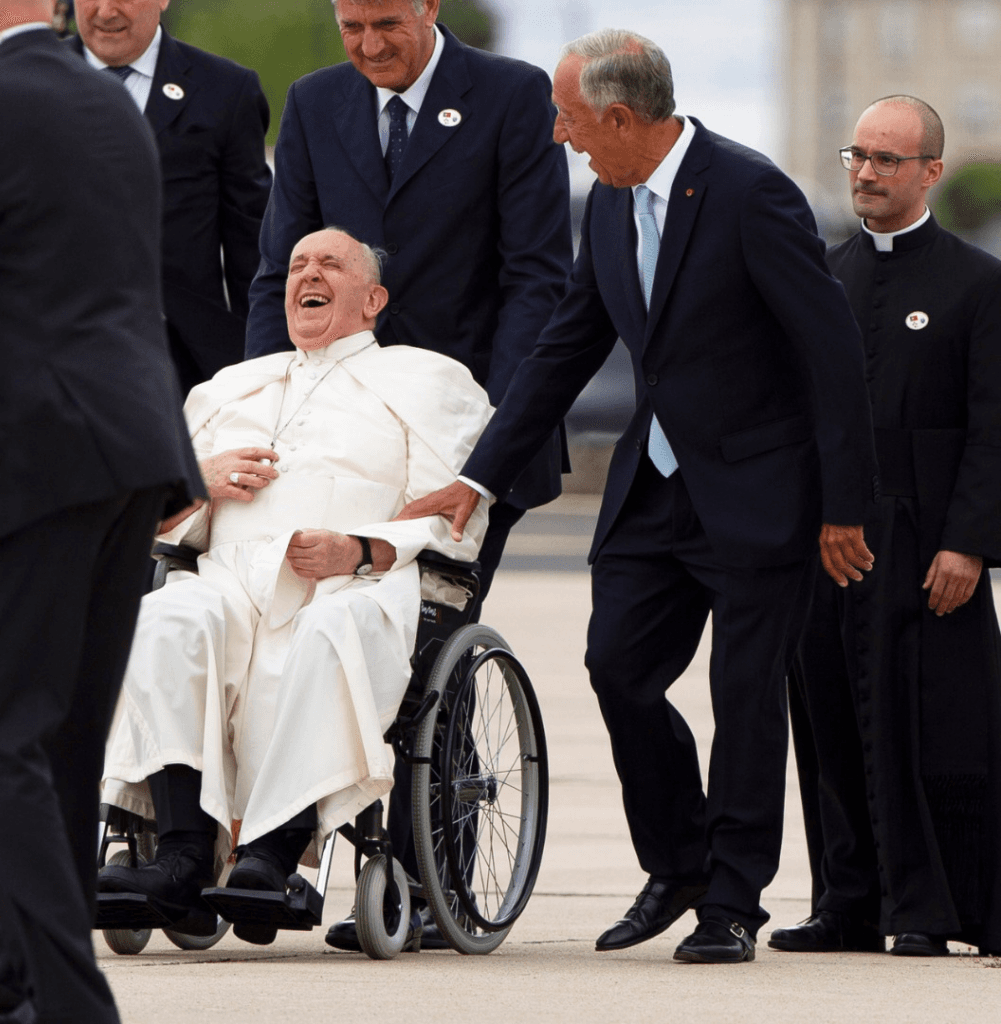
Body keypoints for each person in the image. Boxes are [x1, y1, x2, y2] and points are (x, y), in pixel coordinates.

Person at [400, 28, 879, 964]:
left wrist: (844, 506)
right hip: (652, 488)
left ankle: (732, 901)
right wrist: (479, 475)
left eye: (570, 119)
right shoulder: (614, 205)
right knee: (616, 668)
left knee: (745, 698)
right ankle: (679, 863)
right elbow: (565, 346)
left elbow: (833, 353)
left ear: (620, 117)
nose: (559, 136)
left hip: (759, 492)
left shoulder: (751, 193)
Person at [245, 0, 572, 948]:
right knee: (290, 621)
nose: (369, 45)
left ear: (429, 6)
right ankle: (264, 838)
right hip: (337, 431)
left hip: (461, 441)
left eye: (387, 23)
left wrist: (488, 447)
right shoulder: (316, 103)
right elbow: (278, 271)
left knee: (429, 637)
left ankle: (434, 883)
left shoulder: (510, 97)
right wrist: (266, 406)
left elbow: (535, 278)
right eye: (351, 26)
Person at [96, 228, 492, 948]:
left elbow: (453, 519)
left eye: (330, 264)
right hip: (227, 578)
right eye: (298, 264)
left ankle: (271, 857)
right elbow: (148, 517)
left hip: (355, 583)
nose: (307, 273)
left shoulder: (431, 381)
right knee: (164, 618)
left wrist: (359, 548)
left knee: (328, 632)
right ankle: (182, 854)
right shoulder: (226, 388)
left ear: (373, 300)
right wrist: (198, 482)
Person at [0, 3, 202, 1022]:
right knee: (61, 740)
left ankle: (72, 1002)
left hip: (35, 451)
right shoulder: (103, 101)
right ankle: (15, 975)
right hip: (131, 446)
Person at [771, 96, 1001, 959]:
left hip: (930, 543)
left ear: (930, 171)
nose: (866, 173)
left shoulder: (979, 283)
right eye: (858, 156)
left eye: (887, 160)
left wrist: (969, 542)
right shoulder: (822, 275)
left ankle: (935, 910)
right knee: (829, 718)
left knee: (935, 731)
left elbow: (994, 428)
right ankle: (847, 904)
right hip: (829, 542)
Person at [68, 0, 272, 395]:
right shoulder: (24, 84)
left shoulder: (226, 91)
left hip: (186, 365)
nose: (106, 11)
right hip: (55, 359)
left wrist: (261, 371)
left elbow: (252, 248)